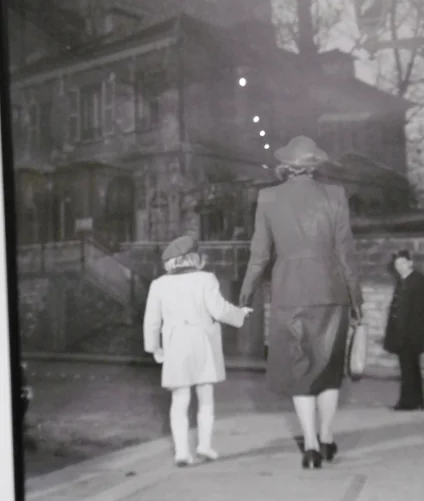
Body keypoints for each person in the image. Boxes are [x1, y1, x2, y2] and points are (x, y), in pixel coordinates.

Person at [239, 136, 363, 470]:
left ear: (287, 166)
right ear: (314, 164)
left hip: (288, 293)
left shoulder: (267, 198)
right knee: (328, 371)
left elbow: (259, 253)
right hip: (331, 291)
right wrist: (357, 298)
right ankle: (326, 438)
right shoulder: (336, 195)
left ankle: (308, 447)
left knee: (300, 371)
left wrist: (247, 289)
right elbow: (345, 252)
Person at [143, 235, 253, 466]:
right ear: (194, 258)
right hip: (203, 342)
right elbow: (219, 310)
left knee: (179, 400)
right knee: (206, 398)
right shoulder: (206, 279)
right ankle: (205, 446)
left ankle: (182, 452)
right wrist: (240, 314)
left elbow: (151, 321)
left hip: (176, 344)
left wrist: (154, 347)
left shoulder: (159, 284)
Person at [383, 250, 424, 411]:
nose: (399, 267)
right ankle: (415, 401)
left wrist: (423, 341)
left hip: (412, 332)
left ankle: (409, 402)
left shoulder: (417, 280)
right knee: (408, 367)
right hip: (401, 332)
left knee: (409, 368)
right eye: (397, 264)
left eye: (403, 263)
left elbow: (421, 311)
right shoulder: (402, 280)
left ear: (410, 263)